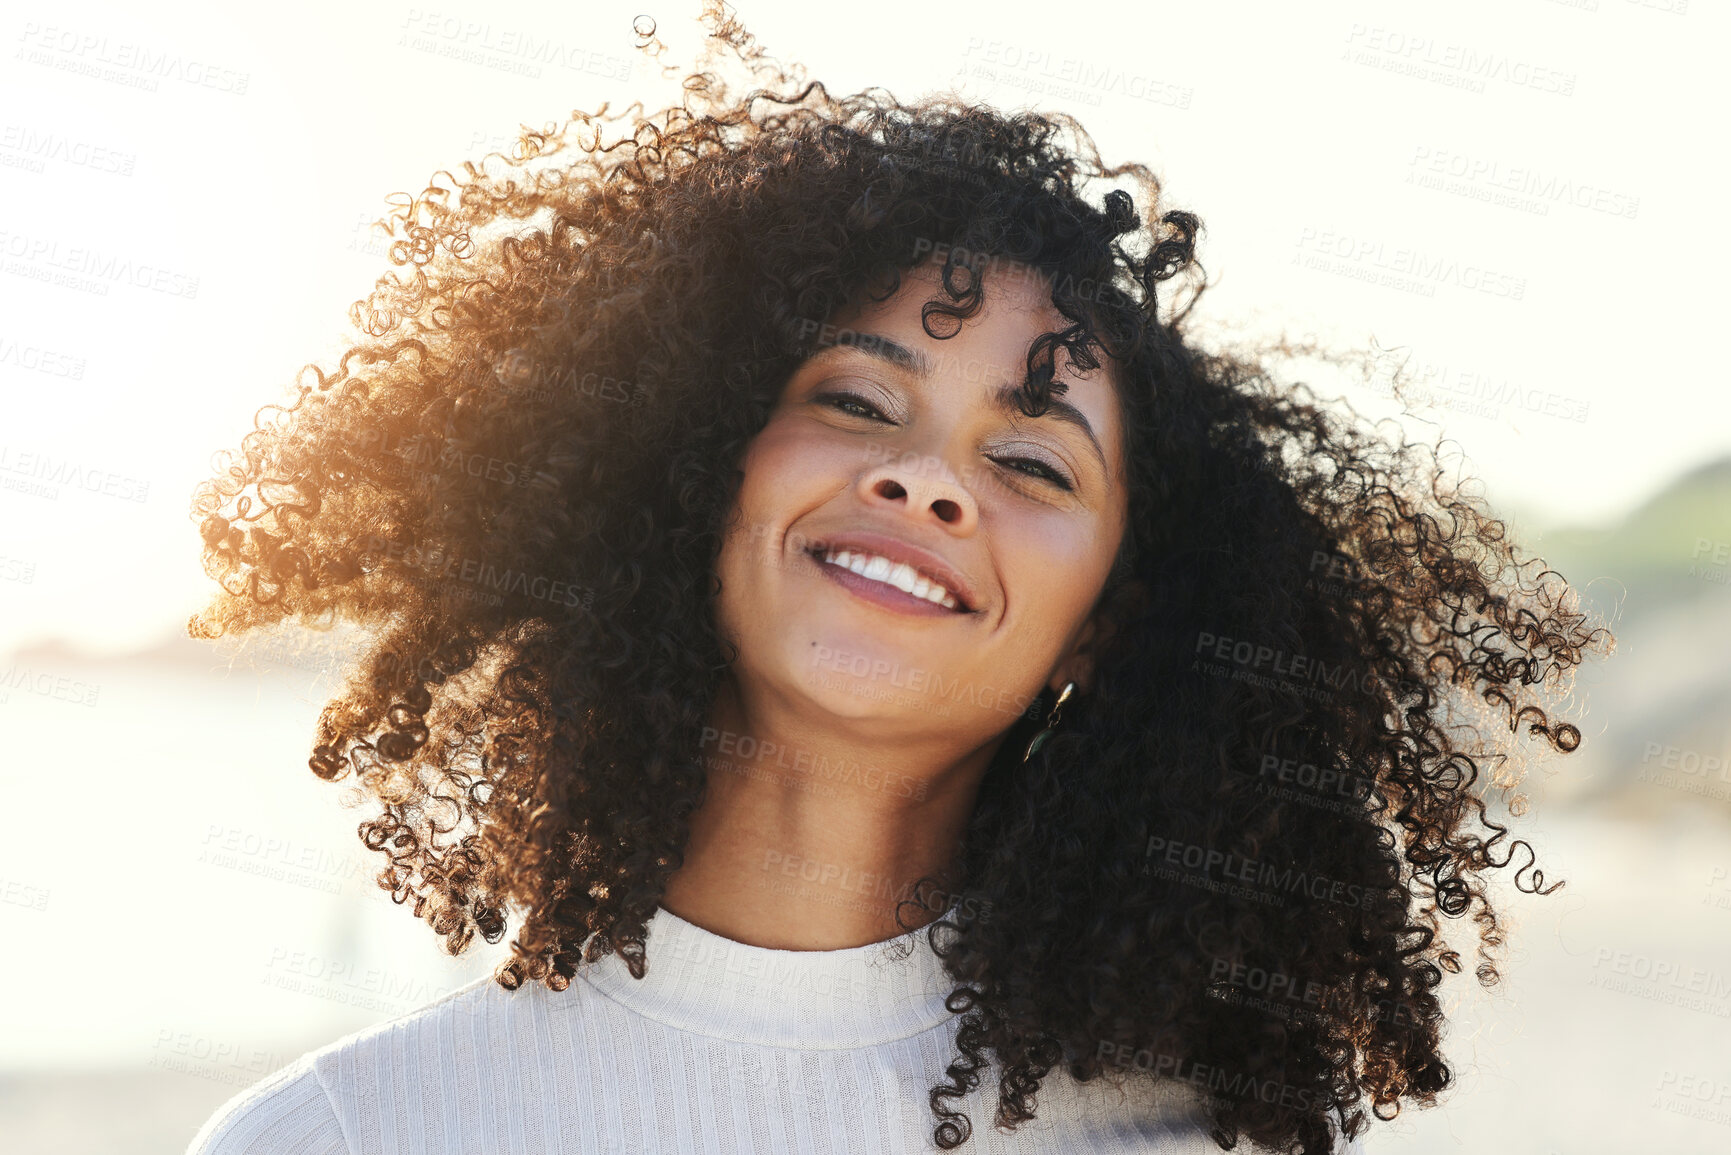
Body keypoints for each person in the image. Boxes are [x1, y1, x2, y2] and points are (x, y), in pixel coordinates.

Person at [184, 5, 1610, 1152]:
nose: (928, 481)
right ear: (689, 475)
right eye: (859, 403)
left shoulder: (1194, 1142)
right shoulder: (341, 1137)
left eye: (1035, 465)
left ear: (1108, 626)